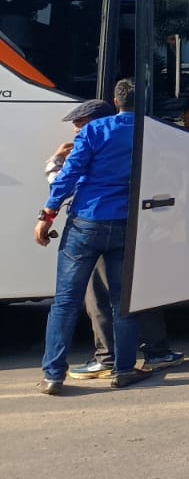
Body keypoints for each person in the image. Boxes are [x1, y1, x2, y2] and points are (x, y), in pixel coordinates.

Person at [35, 80, 152, 394]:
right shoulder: (151, 133)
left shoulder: (95, 131)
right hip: (127, 223)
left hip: (86, 222)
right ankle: (124, 370)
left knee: (65, 303)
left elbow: (69, 176)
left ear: (115, 101)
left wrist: (47, 215)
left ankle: (53, 376)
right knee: (122, 303)